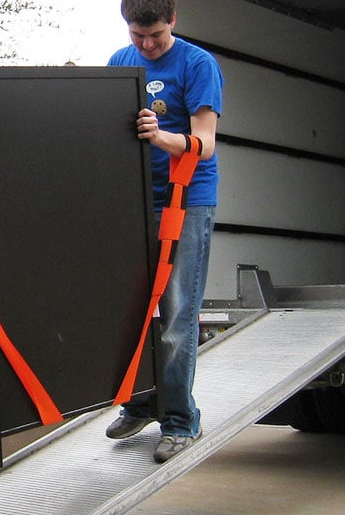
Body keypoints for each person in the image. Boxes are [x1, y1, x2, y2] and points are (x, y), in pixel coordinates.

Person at [105, 0, 224, 463]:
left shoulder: (198, 64)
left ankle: (179, 420)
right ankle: (140, 404)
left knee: (176, 315)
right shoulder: (120, 61)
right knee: (132, 309)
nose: (147, 45)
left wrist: (160, 137)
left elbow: (205, 143)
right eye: (138, 35)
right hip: (135, 199)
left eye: (155, 34)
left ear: (172, 21)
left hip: (185, 200)